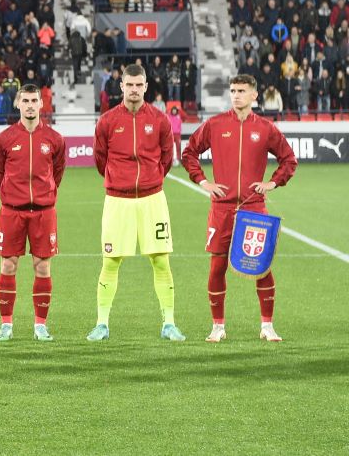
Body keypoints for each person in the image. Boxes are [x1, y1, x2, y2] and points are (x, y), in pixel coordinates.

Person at [181, 75, 297, 342]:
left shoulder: (266, 128)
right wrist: (203, 181)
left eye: (242, 91)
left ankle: (267, 326)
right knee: (216, 268)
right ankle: (217, 327)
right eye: (232, 91)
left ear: (254, 95)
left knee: (263, 267)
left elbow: (288, 160)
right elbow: (189, 153)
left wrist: (272, 183)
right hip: (221, 208)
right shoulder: (215, 124)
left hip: (253, 208)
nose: (236, 95)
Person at [88, 64, 184, 342]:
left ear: (145, 87)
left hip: (153, 199)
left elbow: (166, 159)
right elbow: (100, 160)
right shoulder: (107, 121)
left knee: (161, 261)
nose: (133, 90)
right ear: (121, 86)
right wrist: (120, 179)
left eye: (138, 85)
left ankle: (169, 323)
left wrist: (150, 180)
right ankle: (102, 324)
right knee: (111, 261)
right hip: (118, 201)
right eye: (129, 85)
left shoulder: (160, 120)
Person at [0, 85, 65, 342]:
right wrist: (13, 196)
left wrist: (44, 195)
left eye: (35, 100)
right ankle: (6, 325)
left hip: (44, 212)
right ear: (18, 104)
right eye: (26, 101)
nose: (31, 105)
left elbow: (57, 173)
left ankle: (40, 326)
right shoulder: (5, 138)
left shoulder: (54, 139)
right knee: (8, 265)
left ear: (42, 104)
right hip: (12, 212)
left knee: (42, 267)